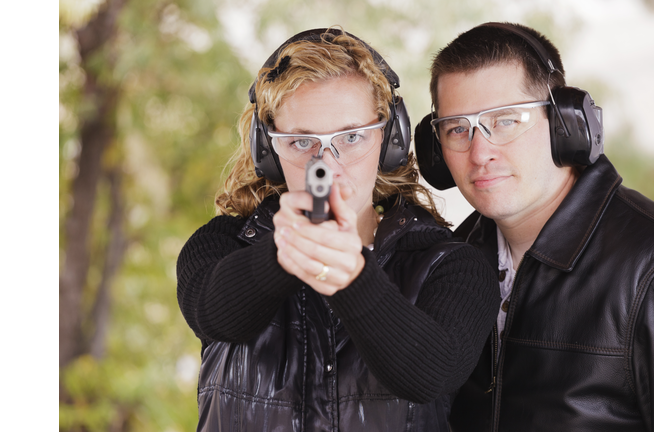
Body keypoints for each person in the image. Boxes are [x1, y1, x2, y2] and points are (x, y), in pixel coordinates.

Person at [176, 27, 499, 431]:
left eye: (350, 136)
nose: (326, 163)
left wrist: (352, 276)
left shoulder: (451, 265)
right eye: (300, 142)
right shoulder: (222, 244)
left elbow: (430, 375)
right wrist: (286, 249)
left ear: (388, 138)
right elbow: (215, 314)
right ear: (268, 149)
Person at [413, 22, 654, 431]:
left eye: (505, 121)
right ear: (435, 149)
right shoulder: (447, 261)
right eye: (458, 128)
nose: (480, 153)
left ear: (565, 125)